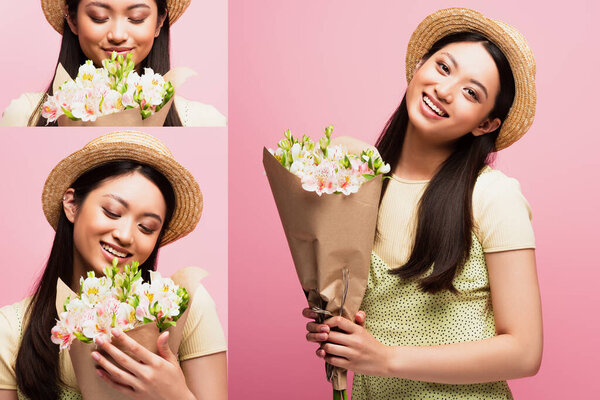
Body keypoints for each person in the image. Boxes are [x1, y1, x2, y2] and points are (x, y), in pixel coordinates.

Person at [303, 8, 542, 399]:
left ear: (486, 124)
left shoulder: (493, 196)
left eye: (471, 92)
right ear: (419, 66)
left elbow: (525, 352)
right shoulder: (357, 185)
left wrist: (385, 358)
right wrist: (336, 326)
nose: (444, 91)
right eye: (443, 67)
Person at [0, 131, 227, 400]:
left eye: (147, 227)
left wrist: (175, 395)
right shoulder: (11, 329)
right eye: (112, 212)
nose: (126, 235)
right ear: (72, 204)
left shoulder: (185, 308)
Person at [0, 0, 226, 127]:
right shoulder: (23, 116)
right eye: (99, 17)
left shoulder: (203, 121)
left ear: (159, 22)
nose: (117, 34)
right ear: (72, 19)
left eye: (136, 18)